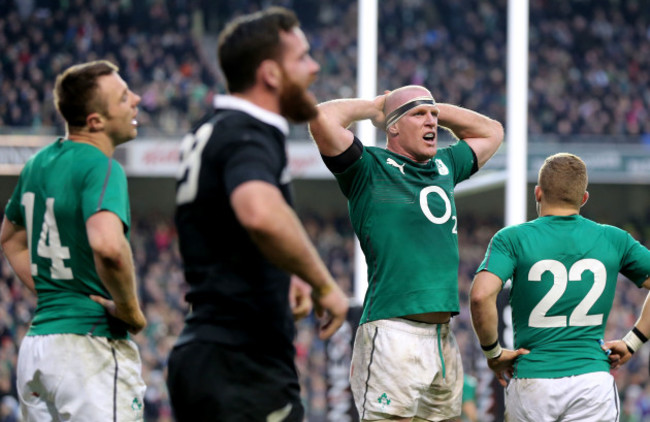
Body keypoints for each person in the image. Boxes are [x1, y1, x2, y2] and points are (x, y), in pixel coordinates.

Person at [166, 7, 349, 422]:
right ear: (270, 74)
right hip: (243, 362)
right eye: (302, 57)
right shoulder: (250, 130)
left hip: (206, 352)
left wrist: (288, 271)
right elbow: (259, 212)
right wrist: (324, 284)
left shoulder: (212, 128)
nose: (314, 68)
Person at [308, 85, 504, 421]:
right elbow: (321, 118)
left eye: (433, 116)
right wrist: (376, 107)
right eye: (418, 115)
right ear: (392, 127)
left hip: (442, 336)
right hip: (392, 331)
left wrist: (430, 107)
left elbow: (492, 132)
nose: (431, 122)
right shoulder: (369, 169)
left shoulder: (444, 166)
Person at [0, 60, 146, 421]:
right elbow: (109, 247)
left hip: (37, 349)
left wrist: (54, 292)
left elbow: (9, 237)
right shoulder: (102, 166)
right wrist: (130, 311)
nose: (137, 100)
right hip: (89, 348)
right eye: (124, 96)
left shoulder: (37, 164)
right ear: (95, 121)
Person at [470, 152, 650, 422]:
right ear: (584, 198)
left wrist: (493, 353)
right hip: (592, 381)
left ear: (538, 193)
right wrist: (633, 341)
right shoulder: (613, 239)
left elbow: (481, 295)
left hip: (533, 380)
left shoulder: (512, 239)